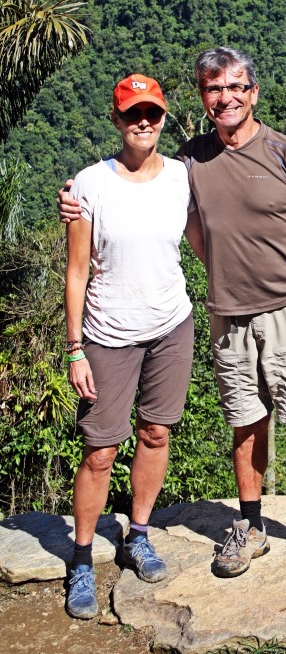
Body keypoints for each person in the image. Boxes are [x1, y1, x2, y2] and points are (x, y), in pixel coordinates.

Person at [60, 48, 286, 580]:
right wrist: (71, 198)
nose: (225, 98)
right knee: (246, 423)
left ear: (253, 93)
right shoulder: (192, 161)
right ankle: (251, 526)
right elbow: (125, 186)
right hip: (228, 315)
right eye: (213, 88)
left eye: (235, 87)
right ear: (202, 98)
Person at [63, 74, 194, 619]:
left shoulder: (182, 176)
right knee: (100, 450)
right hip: (108, 334)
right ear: (116, 120)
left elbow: (210, 231)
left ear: (163, 118)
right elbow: (76, 271)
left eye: (153, 113)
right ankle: (81, 560)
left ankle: (137, 534)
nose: (144, 122)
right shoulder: (90, 184)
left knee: (156, 432)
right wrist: (74, 349)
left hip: (171, 325)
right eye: (133, 114)